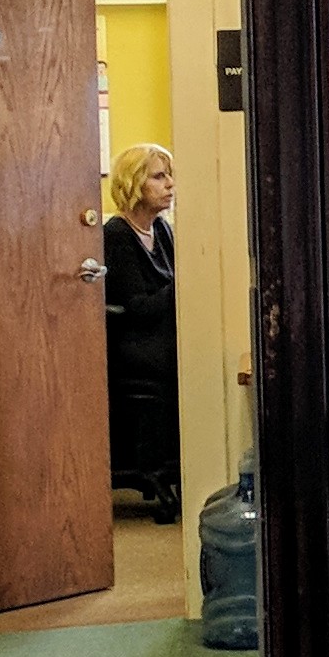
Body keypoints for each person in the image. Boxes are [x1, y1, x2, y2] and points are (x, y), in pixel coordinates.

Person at [101, 142, 182, 521]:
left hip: (159, 335)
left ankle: (175, 461)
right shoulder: (117, 234)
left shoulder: (161, 229)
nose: (169, 185)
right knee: (182, 361)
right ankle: (161, 465)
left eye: (169, 176)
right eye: (159, 176)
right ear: (134, 183)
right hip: (133, 340)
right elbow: (138, 308)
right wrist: (184, 286)